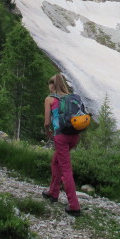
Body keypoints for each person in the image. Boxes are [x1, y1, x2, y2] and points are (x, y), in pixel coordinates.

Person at [42, 73, 82, 216]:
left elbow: (47, 122)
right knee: (56, 162)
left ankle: (74, 205)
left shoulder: (50, 99)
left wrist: (48, 132)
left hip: (61, 136)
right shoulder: (71, 97)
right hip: (74, 136)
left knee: (66, 170)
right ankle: (53, 192)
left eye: (49, 84)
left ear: (52, 85)